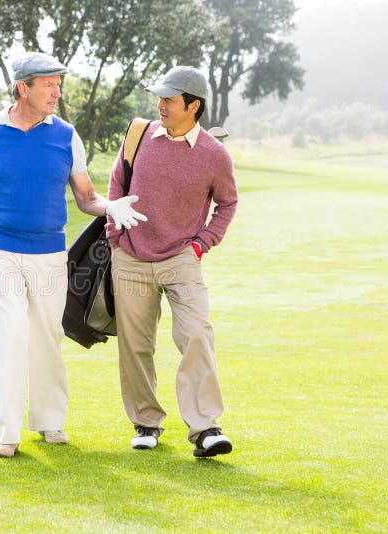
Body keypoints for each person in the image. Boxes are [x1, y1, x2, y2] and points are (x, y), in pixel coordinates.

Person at [0, 52, 146, 458]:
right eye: (49, 84)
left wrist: (111, 206)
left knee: (47, 336)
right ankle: (8, 432)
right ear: (24, 87)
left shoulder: (66, 135)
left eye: (58, 84)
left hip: (50, 253)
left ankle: (50, 422)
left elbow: (86, 197)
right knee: (11, 334)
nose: (57, 92)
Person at [106, 66, 238, 457]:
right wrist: (116, 237)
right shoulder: (139, 135)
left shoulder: (215, 155)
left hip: (182, 257)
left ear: (193, 106)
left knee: (197, 333)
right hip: (130, 256)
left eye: (169, 99)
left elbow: (227, 203)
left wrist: (202, 244)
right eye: (160, 98)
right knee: (135, 345)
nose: (160, 105)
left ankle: (205, 429)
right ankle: (146, 422)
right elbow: (116, 186)